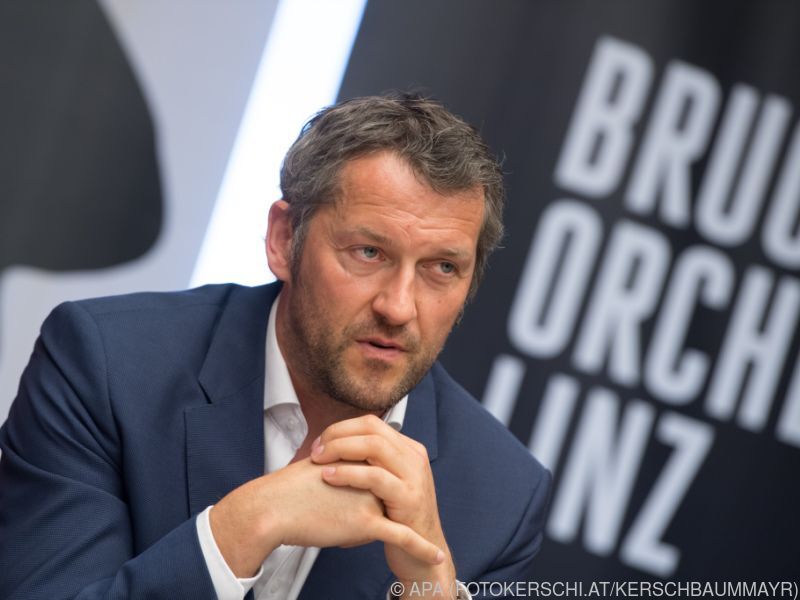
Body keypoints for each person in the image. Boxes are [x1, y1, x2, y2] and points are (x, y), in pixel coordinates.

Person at [0, 94, 551, 599]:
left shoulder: (502, 497)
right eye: (368, 253)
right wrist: (246, 525)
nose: (399, 307)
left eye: (442, 268)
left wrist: (432, 587)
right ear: (285, 240)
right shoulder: (107, 364)